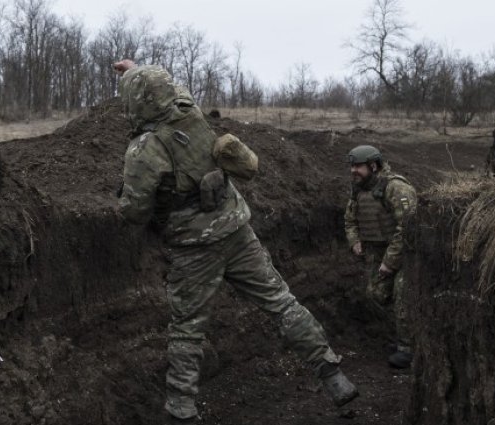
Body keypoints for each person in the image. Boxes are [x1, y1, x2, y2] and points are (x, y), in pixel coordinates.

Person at [113, 59, 358, 423]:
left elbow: (133, 211)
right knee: (282, 302)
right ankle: (332, 374)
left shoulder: (144, 149)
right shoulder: (189, 110)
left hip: (194, 248)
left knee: (187, 329)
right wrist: (139, 69)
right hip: (237, 230)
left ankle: (181, 410)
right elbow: (172, 89)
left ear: (135, 102)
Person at [343, 145, 417, 369]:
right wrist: (354, 241)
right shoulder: (358, 189)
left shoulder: (396, 188)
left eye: (358, 166)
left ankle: (409, 349)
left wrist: (390, 262)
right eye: (352, 166)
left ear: (373, 166)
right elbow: (350, 220)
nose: (353, 171)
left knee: (403, 298)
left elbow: (407, 228)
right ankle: (406, 336)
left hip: (406, 254)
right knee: (377, 293)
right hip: (377, 253)